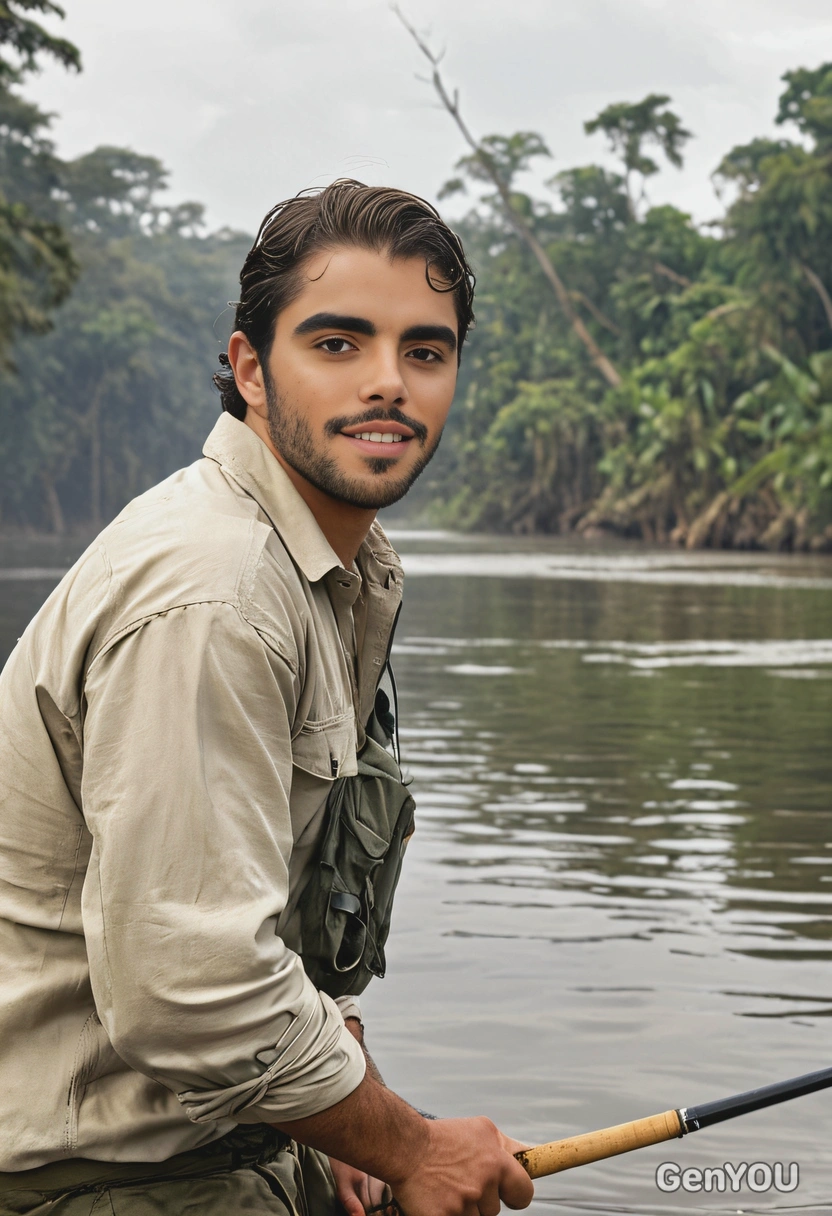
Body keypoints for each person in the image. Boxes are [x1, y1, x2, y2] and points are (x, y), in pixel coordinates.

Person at [0, 181, 534, 1216]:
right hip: (101, 1183)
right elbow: (188, 991)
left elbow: (270, 902)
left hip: (218, 1142)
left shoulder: (330, 574)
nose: (389, 383)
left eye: (425, 351)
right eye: (338, 343)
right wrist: (413, 1144)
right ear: (250, 367)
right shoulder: (216, 592)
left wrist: (347, 1103)